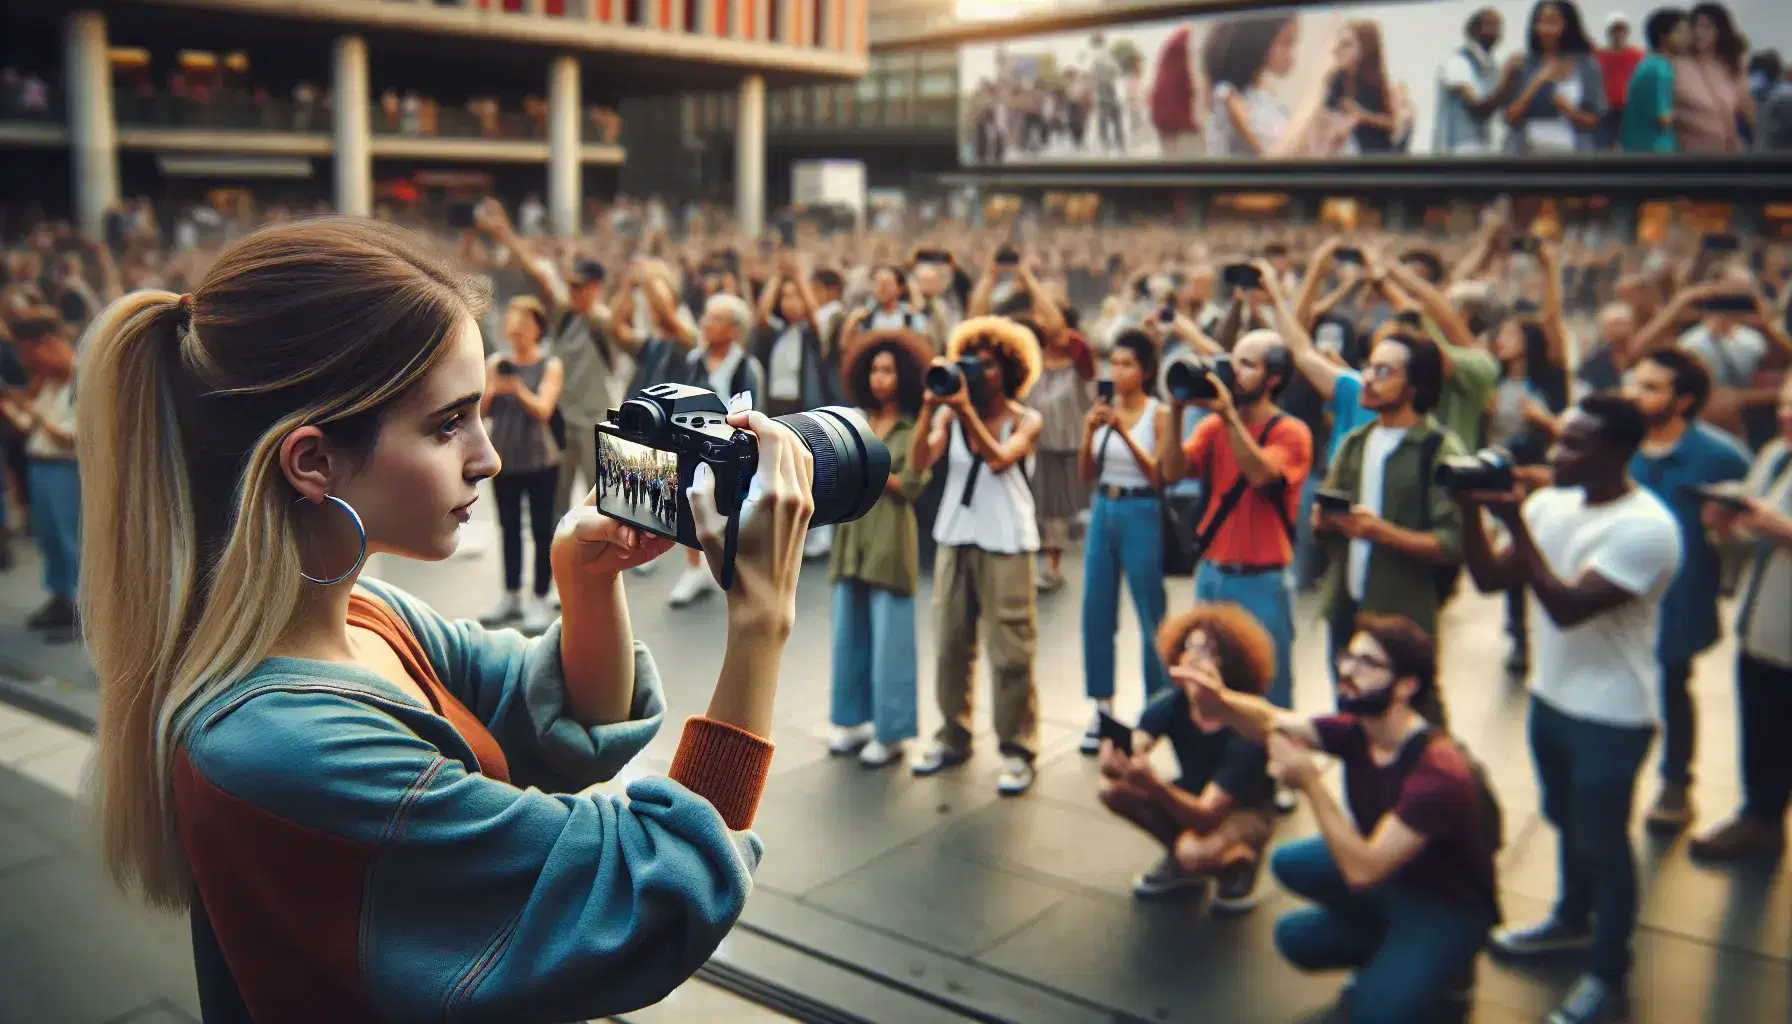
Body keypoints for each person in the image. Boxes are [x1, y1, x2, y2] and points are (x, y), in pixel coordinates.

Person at [75, 218, 815, 1023]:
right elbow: (639, 899)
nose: (488, 457)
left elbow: (553, 714)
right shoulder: (281, 745)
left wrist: (586, 578)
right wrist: (762, 623)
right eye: (447, 423)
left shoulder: (362, 614)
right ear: (313, 461)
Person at [1459, 394, 1682, 1024]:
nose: (1556, 453)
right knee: (1563, 819)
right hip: (1551, 697)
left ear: (1615, 452)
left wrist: (1519, 524)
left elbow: (1564, 605)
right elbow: (1489, 580)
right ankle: (1568, 920)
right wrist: (1471, 514)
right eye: (1561, 439)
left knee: (1605, 846)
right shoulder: (1552, 503)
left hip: (1613, 715)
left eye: (1575, 444)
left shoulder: (1646, 527)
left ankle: (1608, 976)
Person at [1194, 614, 1499, 1023]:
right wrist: (1222, 700)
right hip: (1397, 878)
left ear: (1406, 687)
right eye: (1347, 657)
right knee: (1293, 913)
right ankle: (1392, 944)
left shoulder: (1437, 773)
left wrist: (1310, 783)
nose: (1347, 670)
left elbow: (1363, 871)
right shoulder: (1358, 730)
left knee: (1375, 1011)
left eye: (1367, 663)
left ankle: (1449, 974)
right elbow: (1271, 719)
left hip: (1446, 904)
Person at [908, 316, 1045, 795]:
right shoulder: (950, 411)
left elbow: (1000, 459)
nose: (981, 373)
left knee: (1011, 650)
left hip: (1007, 539)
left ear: (1009, 370)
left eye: (990, 365)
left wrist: (964, 410)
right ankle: (953, 736)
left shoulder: (1025, 418)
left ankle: (1018, 749)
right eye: (974, 363)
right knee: (950, 643)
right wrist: (931, 407)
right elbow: (919, 462)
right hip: (957, 534)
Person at [1621, 350, 1750, 833]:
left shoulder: (1721, 457)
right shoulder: (1622, 444)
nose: (1637, 395)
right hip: (1618, 594)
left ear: (1684, 400)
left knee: (1673, 688)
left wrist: (1722, 536)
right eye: (1637, 383)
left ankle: (1676, 780)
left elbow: (1746, 538)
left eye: (1652, 387)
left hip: (1679, 602)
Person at [1161, 327, 1313, 725]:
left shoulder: (1291, 432)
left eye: (1247, 365)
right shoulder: (1211, 429)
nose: (1233, 371)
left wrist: (1228, 415)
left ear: (1273, 379)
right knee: (1209, 680)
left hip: (1263, 580)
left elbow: (1262, 476)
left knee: (1271, 683)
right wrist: (1177, 410)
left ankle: (1275, 771)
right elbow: (1171, 471)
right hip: (1212, 576)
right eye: (1233, 361)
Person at [1314, 328, 1464, 727]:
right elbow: (1328, 527)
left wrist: (1384, 533)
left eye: (1385, 371)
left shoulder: (1437, 449)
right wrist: (1326, 522)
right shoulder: (1356, 443)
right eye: (1369, 367)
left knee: (1412, 722)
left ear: (1413, 385)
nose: (1368, 378)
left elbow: (1452, 542)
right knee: (1350, 716)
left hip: (1402, 618)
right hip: (1347, 608)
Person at [1098, 603, 1276, 908]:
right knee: (1111, 789)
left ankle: (1239, 863)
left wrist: (1154, 785)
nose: (1193, 656)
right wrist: (1114, 758)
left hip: (1244, 810)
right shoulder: (1172, 702)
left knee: (1193, 853)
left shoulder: (1244, 728)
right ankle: (1182, 865)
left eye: (1207, 651)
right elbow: (1133, 746)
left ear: (1229, 664)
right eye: (1189, 647)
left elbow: (1207, 814)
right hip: (1196, 792)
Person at [1691, 374, 1792, 862]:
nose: (1785, 415)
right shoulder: (1776, 454)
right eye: (1785, 404)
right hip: (1763, 624)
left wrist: (1784, 531)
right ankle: (1761, 817)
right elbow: (1750, 537)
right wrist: (1725, 525)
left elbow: (1776, 530)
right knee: (1762, 721)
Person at [827, 333, 933, 768]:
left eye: (889, 370)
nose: (880, 378)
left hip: (891, 537)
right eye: (874, 369)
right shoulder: (858, 420)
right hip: (853, 534)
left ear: (904, 376)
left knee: (892, 640)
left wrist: (862, 461)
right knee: (849, 633)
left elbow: (909, 484)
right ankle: (852, 722)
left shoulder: (913, 429)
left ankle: (891, 733)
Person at [1077, 330, 1176, 750]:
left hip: (1142, 509)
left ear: (1146, 371)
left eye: (1126, 364)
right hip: (1105, 507)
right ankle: (1103, 709)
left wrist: (1122, 433)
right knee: (1096, 611)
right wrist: (1089, 432)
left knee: (1150, 612)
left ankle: (1157, 710)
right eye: (1112, 363)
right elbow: (1085, 474)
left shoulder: (1159, 413)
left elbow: (1161, 476)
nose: (1116, 372)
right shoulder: (1103, 408)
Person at [667, 293, 766, 608]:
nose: (706, 324)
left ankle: (734, 570)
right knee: (687, 504)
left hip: (727, 448)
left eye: (715, 319)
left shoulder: (746, 367)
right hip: (691, 443)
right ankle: (694, 569)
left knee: (730, 510)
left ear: (734, 330)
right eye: (706, 317)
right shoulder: (694, 359)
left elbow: (752, 414)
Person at [478, 297, 565, 634]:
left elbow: (544, 409)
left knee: (542, 529)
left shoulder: (550, 365)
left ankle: (541, 595)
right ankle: (511, 594)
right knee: (509, 528)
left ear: (538, 329)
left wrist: (514, 388)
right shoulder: (495, 363)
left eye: (525, 323)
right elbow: (480, 412)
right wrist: (492, 390)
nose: (518, 329)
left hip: (542, 460)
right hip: (505, 459)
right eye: (514, 321)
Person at [0, 313, 79, 642]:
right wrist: (12, 406)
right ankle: (60, 598)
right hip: (40, 465)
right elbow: (31, 428)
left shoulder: (77, 383)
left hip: (63, 467)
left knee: (66, 537)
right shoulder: (49, 383)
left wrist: (33, 413)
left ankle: (77, 607)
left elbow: (70, 437)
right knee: (48, 536)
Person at [1502, 0, 1607, 155]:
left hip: (1573, 154)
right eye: (1539, 22)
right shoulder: (1522, 64)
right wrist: (1539, 81)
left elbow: (1593, 121)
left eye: (1552, 22)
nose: (1545, 29)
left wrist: (1567, 109)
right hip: (1527, 153)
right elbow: (1510, 117)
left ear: (1568, 24)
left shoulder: (1587, 65)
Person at [1673, 1, 1753, 152]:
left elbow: (1748, 109)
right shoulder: (1676, 65)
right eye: (1694, 27)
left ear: (1720, 32)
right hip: (1688, 157)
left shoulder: (1730, 65)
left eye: (1707, 28)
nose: (1699, 33)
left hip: (1728, 155)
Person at [1435, 7, 1513, 154]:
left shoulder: (1494, 68)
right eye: (1490, 25)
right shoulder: (1457, 62)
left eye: (1499, 27)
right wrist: (1508, 83)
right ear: (1474, 30)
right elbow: (1478, 109)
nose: (1496, 32)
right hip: (1458, 153)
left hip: (1487, 152)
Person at [1620, 8, 1690, 153]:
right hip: (1654, 151)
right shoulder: (1658, 68)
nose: (1686, 38)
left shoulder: (1651, 64)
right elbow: (1663, 118)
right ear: (1663, 36)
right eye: (1680, 32)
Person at [1595, 13, 1645, 149]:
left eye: (1621, 30)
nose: (1618, 34)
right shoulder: (1599, 56)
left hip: (1629, 109)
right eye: (1615, 30)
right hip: (1605, 110)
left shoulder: (1637, 56)